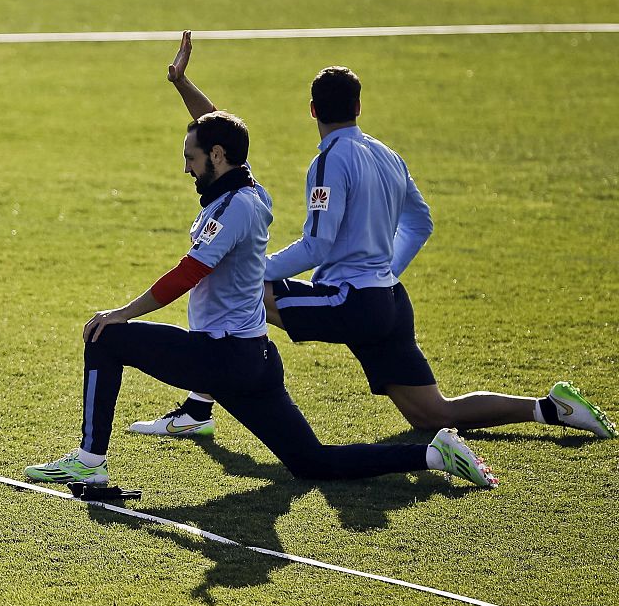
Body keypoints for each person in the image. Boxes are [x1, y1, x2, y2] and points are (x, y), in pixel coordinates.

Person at [132, 32, 614, 441]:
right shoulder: (388, 155)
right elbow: (420, 223)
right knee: (434, 414)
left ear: (312, 109)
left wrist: (258, 269)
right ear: (359, 106)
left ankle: (196, 413)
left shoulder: (327, 161)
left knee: (242, 292)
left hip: (350, 302)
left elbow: (316, 246)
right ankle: (548, 408)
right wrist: (383, 274)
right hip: (386, 301)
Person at [24, 98, 498, 491]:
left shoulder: (235, 209)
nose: (185, 168)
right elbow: (224, 133)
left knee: (104, 336)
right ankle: (434, 454)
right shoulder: (252, 191)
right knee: (313, 463)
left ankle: (89, 459)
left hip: (222, 357)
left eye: (191, 157)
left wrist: (123, 312)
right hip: (254, 362)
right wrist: (183, 87)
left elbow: (187, 273)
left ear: (216, 156)